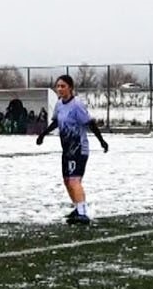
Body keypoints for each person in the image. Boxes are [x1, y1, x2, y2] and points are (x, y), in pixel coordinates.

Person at [36, 75, 108, 225]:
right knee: (67, 180)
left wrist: (101, 141)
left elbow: (90, 123)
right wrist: (43, 134)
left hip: (79, 148)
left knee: (75, 180)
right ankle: (77, 208)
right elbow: (56, 122)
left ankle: (82, 212)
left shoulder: (77, 105)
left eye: (63, 86)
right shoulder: (59, 105)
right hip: (67, 149)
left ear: (70, 87)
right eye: (58, 86)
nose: (60, 89)